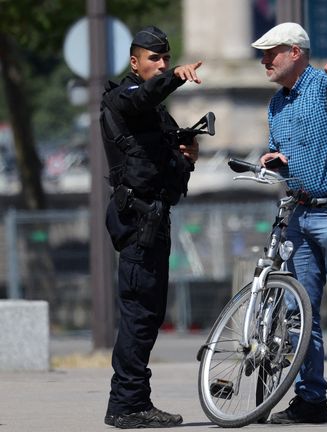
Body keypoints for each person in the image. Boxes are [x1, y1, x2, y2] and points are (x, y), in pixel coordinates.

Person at [250, 22, 327, 424]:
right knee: (298, 312)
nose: (264, 60)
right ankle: (311, 398)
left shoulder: (323, 85)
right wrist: (276, 159)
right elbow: (280, 150)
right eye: (263, 53)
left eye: (272, 52)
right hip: (302, 213)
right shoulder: (276, 105)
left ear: (296, 53)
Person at [100, 25, 203, 429]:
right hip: (138, 223)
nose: (160, 65)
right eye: (153, 59)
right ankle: (127, 405)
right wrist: (174, 76)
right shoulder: (122, 98)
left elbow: (167, 171)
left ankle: (132, 401)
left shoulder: (153, 113)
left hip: (155, 220)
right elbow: (144, 95)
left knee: (147, 314)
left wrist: (187, 156)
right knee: (139, 314)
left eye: (165, 59)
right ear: (134, 62)